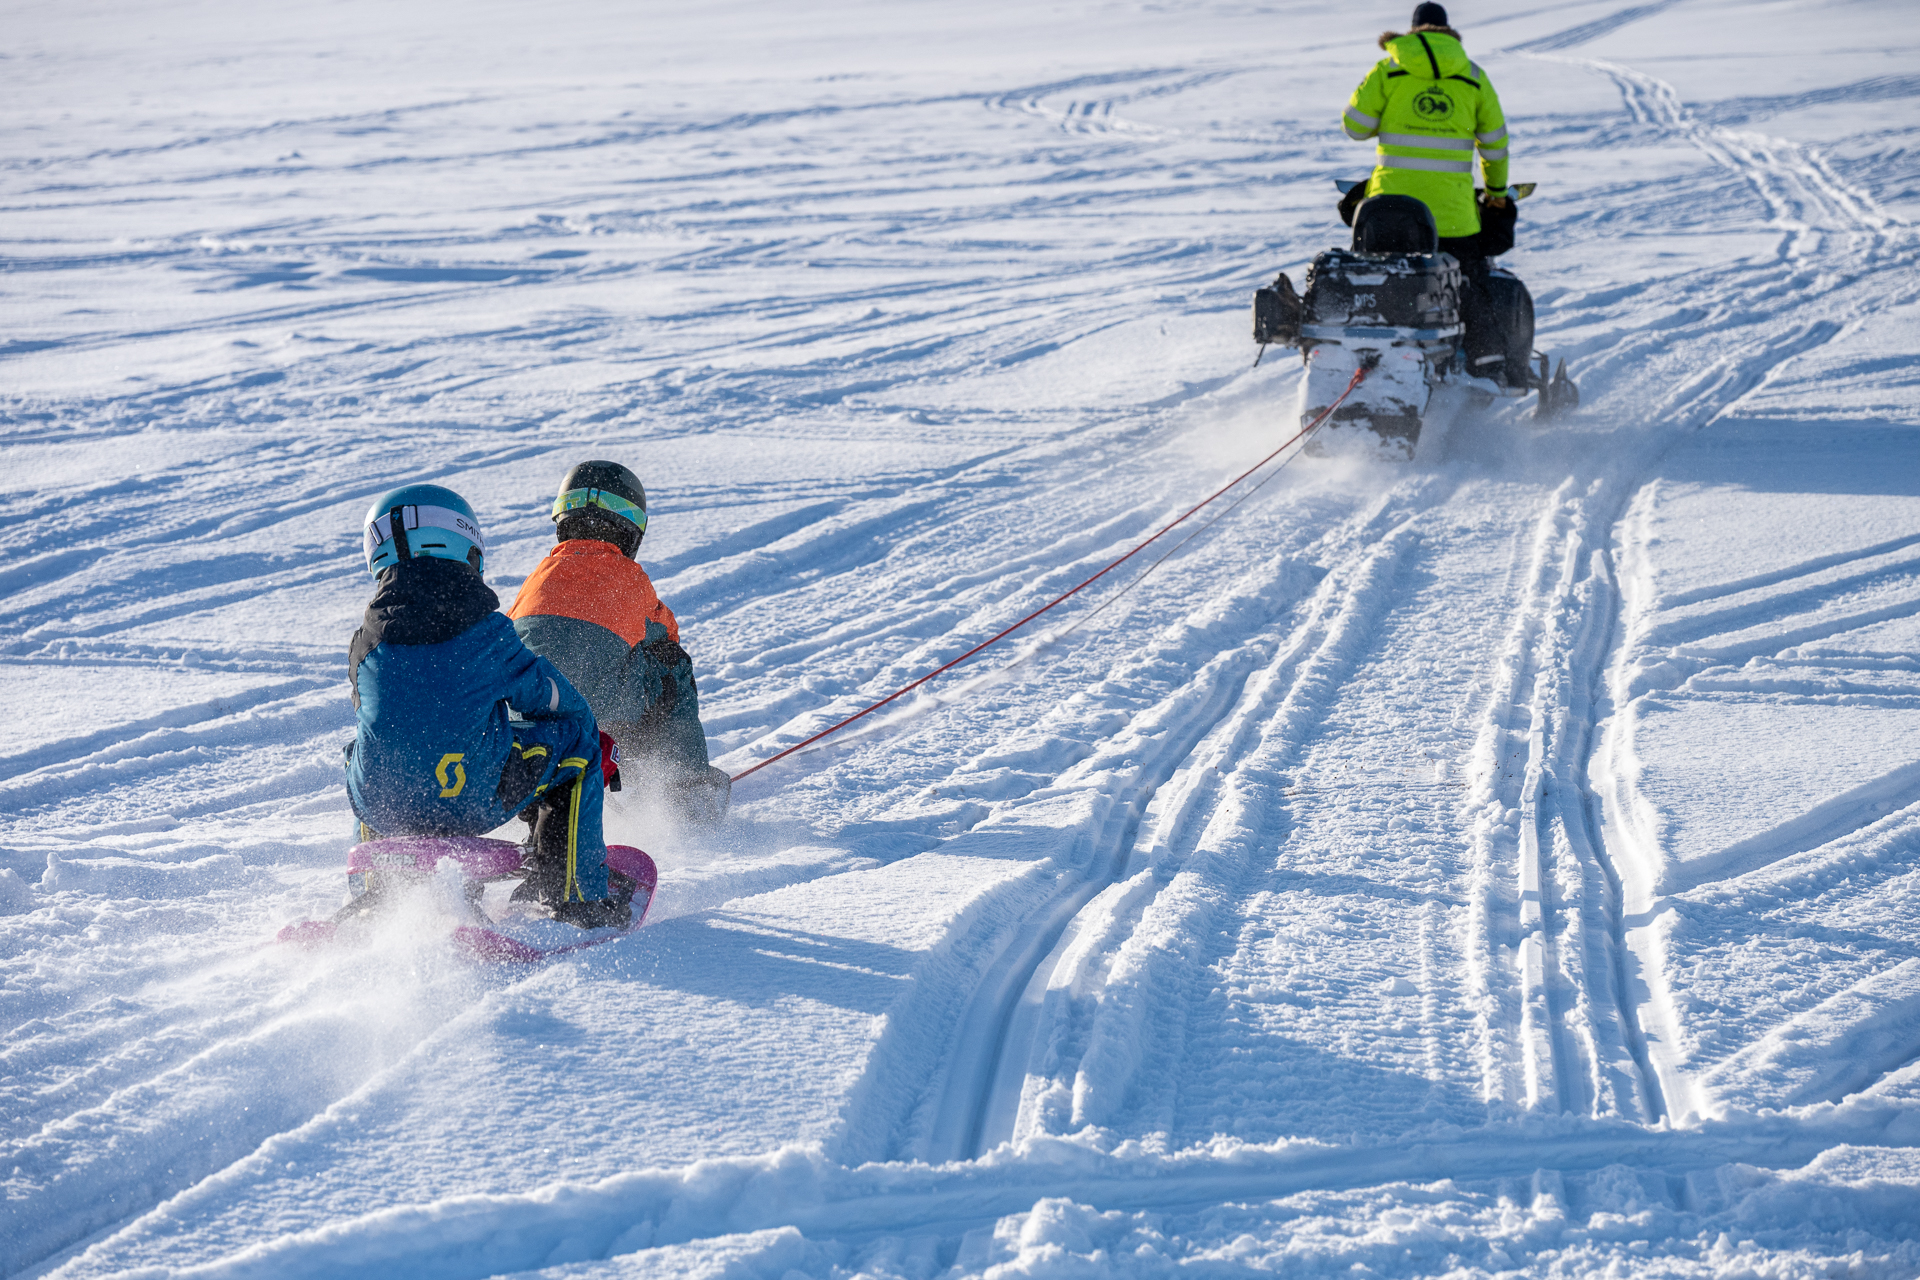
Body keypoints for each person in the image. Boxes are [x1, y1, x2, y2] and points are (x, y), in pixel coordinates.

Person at [344, 482, 634, 928]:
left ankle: (376, 896)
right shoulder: (485, 633)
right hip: (468, 797)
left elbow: (402, 716)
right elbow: (559, 700)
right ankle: (574, 895)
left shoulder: (364, 644)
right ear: (465, 549)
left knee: (368, 748)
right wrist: (595, 738)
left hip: (384, 806)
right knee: (578, 742)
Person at [507, 461, 730, 821]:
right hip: (599, 710)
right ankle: (687, 789)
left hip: (531, 711)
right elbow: (666, 636)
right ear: (630, 528)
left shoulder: (537, 577)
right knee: (671, 667)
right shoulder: (629, 576)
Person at [1342, 2, 1518, 380]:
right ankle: (1487, 364)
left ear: (1413, 31)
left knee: (1377, 279)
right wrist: (1497, 193)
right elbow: (1495, 145)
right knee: (1468, 283)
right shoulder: (1473, 77)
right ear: (1448, 32)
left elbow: (1355, 127)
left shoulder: (1389, 69)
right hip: (1453, 216)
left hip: (1387, 211)